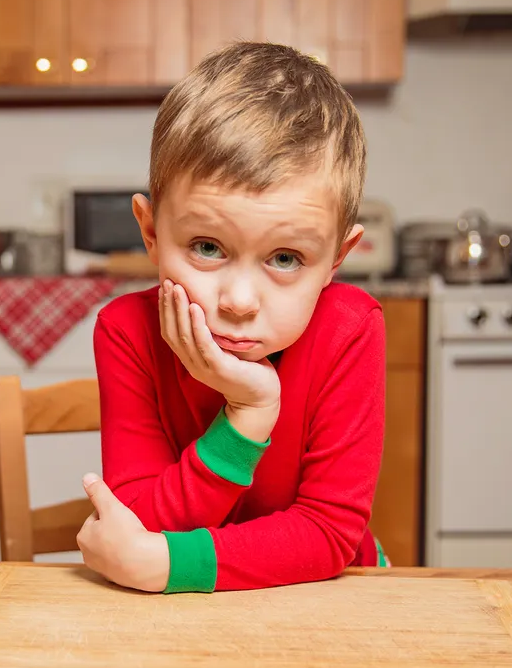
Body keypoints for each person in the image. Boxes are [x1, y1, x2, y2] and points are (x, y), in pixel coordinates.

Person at [76, 40, 387, 594]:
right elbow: (140, 519)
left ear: (338, 258)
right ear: (150, 232)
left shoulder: (351, 329)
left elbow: (329, 534)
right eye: (207, 247)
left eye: (286, 259)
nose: (239, 301)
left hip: (330, 599)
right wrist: (248, 415)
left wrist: (166, 564)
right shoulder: (127, 332)